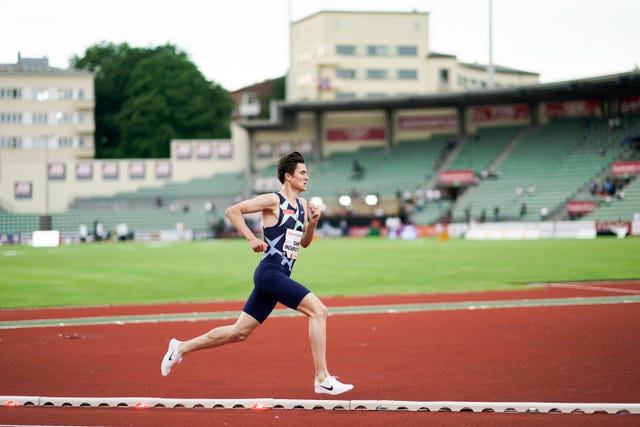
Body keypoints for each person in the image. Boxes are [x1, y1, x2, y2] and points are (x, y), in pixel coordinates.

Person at [160, 151, 354, 395]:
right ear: (288, 177)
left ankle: (179, 348)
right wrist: (251, 238)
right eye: (302, 173)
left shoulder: (303, 206)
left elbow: (303, 244)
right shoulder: (273, 201)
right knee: (319, 311)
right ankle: (322, 378)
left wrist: (313, 223)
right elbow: (233, 211)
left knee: (238, 332)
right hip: (270, 273)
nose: (307, 177)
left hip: (280, 275)